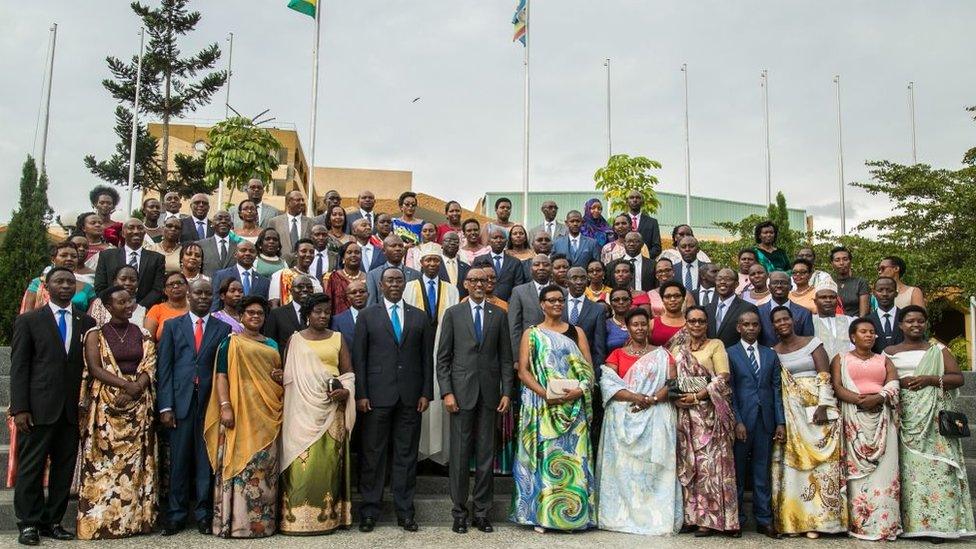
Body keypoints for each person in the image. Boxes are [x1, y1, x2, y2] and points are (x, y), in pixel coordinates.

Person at [10, 268, 96, 546]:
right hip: (37, 408)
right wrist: (20, 408)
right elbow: (19, 367)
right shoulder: (29, 321)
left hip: (71, 410)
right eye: (59, 282)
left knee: (64, 468)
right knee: (31, 467)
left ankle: (53, 521)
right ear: (47, 286)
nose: (66, 286)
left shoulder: (86, 321)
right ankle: (29, 523)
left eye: (70, 282)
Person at [510, 285, 596, 532]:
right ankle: (544, 516)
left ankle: (573, 517)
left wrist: (580, 389)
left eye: (561, 300)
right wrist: (544, 394)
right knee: (545, 458)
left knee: (574, 459)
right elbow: (523, 370)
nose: (558, 304)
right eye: (552, 300)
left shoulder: (576, 332)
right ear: (542, 304)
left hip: (573, 407)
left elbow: (589, 369)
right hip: (543, 406)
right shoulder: (532, 333)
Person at [354, 268, 434, 533]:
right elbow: (360, 358)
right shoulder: (367, 315)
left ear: (405, 284)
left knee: (406, 455)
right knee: (373, 455)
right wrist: (362, 394)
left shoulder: (420, 317)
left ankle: (405, 511)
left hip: (411, 397)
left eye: (399, 280)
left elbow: (426, 359)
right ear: (381, 284)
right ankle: (369, 511)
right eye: (390, 280)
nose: (395, 284)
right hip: (376, 397)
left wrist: (426, 393)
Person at [885, 306, 975, 540]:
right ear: (901, 325)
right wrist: (898, 383)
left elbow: (958, 378)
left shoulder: (938, 350)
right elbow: (884, 379)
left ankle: (942, 526)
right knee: (909, 473)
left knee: (940, 469)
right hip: (904, 418)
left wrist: (930, 379)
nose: (916, 325)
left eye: (920, 321)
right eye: (910, 321)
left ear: (926, 324)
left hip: (933, 420)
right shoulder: (890, 351)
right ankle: (913, 526)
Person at [76, 286, 157, 539]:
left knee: (134, 469)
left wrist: (136, 388)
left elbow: (149, 364)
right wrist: (125, 385)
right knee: (102, 465)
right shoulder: (95, 334)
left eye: (130, 301)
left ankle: (134, 522)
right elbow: (95, 367)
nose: (127, 305)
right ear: (108, 307)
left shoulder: (142, 333)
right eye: (121, 302)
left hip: (137, 408)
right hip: (106, 409)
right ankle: (100, 523)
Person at [437, 269, 513, 534]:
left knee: (485, 455)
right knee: (459, 455)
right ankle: (459, 512)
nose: (479, 284)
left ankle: (482, 512)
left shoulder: (499, 315)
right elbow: (443, 358)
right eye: (474, 280)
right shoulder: (453, 314)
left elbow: (505, 358)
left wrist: (506, 393)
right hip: (460, 394)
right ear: (466, 284)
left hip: (491, 395)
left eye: (484, 280)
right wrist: (447, 392)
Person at [157, 279, 233, 536]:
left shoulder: (223, 329)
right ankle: (176, 515)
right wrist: (165, 406)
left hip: (209, 404)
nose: (203, 297)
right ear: (188, 295)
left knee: (205, 462)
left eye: (207, 294)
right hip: (180, 403)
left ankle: (203, 514)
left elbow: (224, 368)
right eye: (198, 292)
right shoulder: (172, 326)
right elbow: (164, 369)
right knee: (178, 461)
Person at [204, 296, 284, 538]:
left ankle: (263, 525)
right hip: (238, 410)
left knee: (263, 466)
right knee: (238, 464)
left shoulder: (272, 344)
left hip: (266, 412)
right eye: (250, 313)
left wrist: (280, 376)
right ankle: (235, 524)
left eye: (260, 313)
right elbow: (221, 376)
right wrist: (225, 406)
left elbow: (275, 375)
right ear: (241, 316)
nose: (255, 316)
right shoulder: (230, 343)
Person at [598, 308, 682, 535]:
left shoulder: (663, 355)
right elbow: (609, 385)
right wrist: (638, 397)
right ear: (627, 326)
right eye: (635, 324)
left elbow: (672, 384)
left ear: (648, 326)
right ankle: (622, 516)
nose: (640, 328)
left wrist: (652, 399)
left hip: (654, 418)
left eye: (643, 324)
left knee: (652, 470)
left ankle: (654, 516)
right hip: (624, 421)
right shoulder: (616, 354)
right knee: (624, 470)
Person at [279, 293, 356, 535]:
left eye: (326, 312)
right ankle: (294, 520)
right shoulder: (295, 340)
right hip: (300, 411)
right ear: (307, 315)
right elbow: (287, 376)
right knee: (300, 464)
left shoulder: (338, 338)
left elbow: (348, 374)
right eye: (317, 312)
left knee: (327, 464)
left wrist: (345, 392)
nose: (323, 316)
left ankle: (329, 519)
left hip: (331, 410)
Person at [770, 306, 847, 537]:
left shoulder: (812, 343)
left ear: (793, 321)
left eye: (786, 318)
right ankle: (796, 522)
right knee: (794, 468)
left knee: (821, 467)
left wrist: (824, 405)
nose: (782, 323)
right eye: (777, 321)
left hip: (816, 410)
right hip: (790, 413)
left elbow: (824, 375)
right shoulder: (773, 351)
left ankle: (822, 522)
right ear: (772, 326)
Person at [669, 306, 739, 537]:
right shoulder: (677, 348)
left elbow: (723, 378)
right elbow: (670, 378)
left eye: (701, 321)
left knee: (711, 468)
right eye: (692, 321)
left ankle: (712, 520)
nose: (696, 325)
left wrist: (698, 396)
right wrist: (677, 398)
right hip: (685, 414)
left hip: (709, 414)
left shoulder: (715, 345)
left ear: (706, 324)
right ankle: (691, 517)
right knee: (690, 465)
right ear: (686, 323)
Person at [831, 318, 901, 541]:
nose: (869, 335)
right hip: (853, 419)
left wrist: (878, 397)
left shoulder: (884, 360)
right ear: (853, 336)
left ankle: (885, 526)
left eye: (872, 332)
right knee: (857, 477)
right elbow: (837, 386)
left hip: (882, 419)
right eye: (864, 332)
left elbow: (893, 384)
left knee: (885, 473)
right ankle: (859, 526)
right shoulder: (841, 359)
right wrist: (860, 400)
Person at [728, 310, 784, 539]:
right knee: (738, 473)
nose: (751, 328)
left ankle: (764, 520)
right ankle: (737, 520)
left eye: (755, 325)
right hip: (742, 421)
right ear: (738, 328)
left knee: (762, 472)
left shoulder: (770, 354)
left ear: (760, 328)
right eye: (746, 324)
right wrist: (737, 421)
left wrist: (780, 422)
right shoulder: (730, 353)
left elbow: (776, 390)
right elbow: (729, 391)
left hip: (765, 421)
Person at [403, 245, 459, 464]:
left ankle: (440, 458)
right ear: (421, 263)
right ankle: (417, 456)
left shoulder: (451, 289)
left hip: (443, 353)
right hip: (415, 354)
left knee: (439, 405)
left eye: (436, 260)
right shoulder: (409, 287)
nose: (432, 264)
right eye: (428, 260)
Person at [93, 218, 165, 308]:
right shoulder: (107, 256)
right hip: (112, 310)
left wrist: (138, 307)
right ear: (123, 233)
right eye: (131, 228)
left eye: (140, 228)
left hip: (144, 311)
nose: (136, 231)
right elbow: (100, 286)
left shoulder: (157, 259)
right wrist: (116, 305)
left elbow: (157, 289)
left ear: (144, 233)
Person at [20, 242, 95, 313]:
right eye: (64, 255)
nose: (69, 259)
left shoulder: (88, 288)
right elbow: (27, 314)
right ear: (53, 259)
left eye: (74, 256)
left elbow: (93, 316)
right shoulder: (38, 283)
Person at [507, 254, 553, 360]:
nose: (541, 267)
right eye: (537, 265)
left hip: (555, 351)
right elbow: (514, 327)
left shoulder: (562, 292)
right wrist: (518, 358)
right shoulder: (519, 292)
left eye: (546, 265)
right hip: (529, 351)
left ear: (551, 268)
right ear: (530, 269)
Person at [209, 240, 271, 310]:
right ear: (235, 254)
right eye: (243, 250)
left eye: (252, 251)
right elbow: (214, 305)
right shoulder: (220, 276)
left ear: (256, 255)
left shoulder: (264, 281)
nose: (247, 253)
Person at [706, 268, 760, 347]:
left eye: (727, 279)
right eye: (719, 279)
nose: (722, 282)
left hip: (735, 357)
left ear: (736, 284)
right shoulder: (707, 308)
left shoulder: (748, 308)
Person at [758, 271, 814, 347]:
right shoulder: (758, 311)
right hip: (766, 357)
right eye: (775, 282)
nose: (779, 286)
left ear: (790, 287)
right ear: (769, 287)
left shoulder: (804, 313)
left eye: (783, 283)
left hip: (796, 356)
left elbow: (808, 342)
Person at [263, 275, 315, 353]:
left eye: (309, 287)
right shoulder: (277, 314)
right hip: (286, 362)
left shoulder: (318, 314)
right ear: (291, 291)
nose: (305, 289)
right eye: (300, 287)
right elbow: (270, 344)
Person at [365, 235, 422, 305]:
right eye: (393, 246)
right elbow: (371, 305)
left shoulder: (416, 275)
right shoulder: (373, 275)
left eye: (401, 246)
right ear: (384, 250)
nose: (398, 249)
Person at [269, 239, 323, 307]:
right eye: (304, 251)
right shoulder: (282, 275)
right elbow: (274, 304)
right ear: (296, 254)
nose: (308, 254)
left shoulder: (315, 281)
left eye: (311, 252)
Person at [476, 228, 526, 302]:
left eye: (501, 238)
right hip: (483, 302)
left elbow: (518, 285)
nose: (498, 240)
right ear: (489, 241)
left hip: (508, 304)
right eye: (495, 238)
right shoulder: (479, 260)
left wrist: (510, 302)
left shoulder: (515, 262)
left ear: (506, 241)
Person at [267, 190, 312, 264]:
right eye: (298, 200)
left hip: (303, 265)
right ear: (288, 202)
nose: (302, 203)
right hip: (280, 264)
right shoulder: (274, 222)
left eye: (302, 200)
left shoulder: (311, 223)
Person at [812, 280, 853, 360]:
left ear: (837, 301)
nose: (828, 300)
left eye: (832, 297)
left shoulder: (850, 321)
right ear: (815, 301)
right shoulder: (809, 322)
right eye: (823, 297)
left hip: (847, 368)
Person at [323, 241, 366, 316]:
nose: (353, 255)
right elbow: (329, 303)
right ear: (343, 257)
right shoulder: (334, 277)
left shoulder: (369, 278)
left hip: (365, 321)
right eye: (349, 252)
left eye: (357, 252)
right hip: (339, 323)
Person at [144, 272, 190, 341]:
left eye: (179, 283)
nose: (175, 286)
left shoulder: (195, 309)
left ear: (187, 287)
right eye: (171, 284)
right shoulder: (157, 309)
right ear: (165, 291)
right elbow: (148, 342)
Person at [829, 246, 870, 317]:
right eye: (837, 260)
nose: (841, 263)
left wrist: (858, 326)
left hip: (854, 324)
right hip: (833, 324)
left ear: (850, 261)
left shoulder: (860, 283)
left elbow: (864, 313)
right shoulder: (828, 283)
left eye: (845, 259)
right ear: (832, 264)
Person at [866, 277, 903, 352]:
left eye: (889, 290)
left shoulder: (905, 318)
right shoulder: (867, 321)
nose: (885, 294)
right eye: (880, 290)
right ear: (874, 293)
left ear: (896, 293)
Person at [622, 190, 662, 258]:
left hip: (646, 262)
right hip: (624, 262)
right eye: (631, 197)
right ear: (627, 201)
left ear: (642, 202)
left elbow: (657, 247)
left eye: (638, 198)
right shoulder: (620, 221)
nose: (634, 200)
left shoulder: (652, 222)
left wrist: (643, 257)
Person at [197, 211, 237, 278]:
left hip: (232, 286)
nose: (223, 221)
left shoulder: (239, 246)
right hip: (208, 286)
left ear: (232, 225)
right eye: (219, 219)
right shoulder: (201, 245)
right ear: (212, 223)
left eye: (227, 219)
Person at [330, 280, 368, 345]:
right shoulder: (337, 321)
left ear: (368, 294)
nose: (358, 295)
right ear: (347, 297)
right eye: (353, 293)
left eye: (362, 292)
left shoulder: (378, 316)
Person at [649, 281, 687, 346]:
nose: (672, 299)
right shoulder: (652, 324)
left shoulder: (692, 323)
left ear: (683, 299)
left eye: (677, 296)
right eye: (667, 296)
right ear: (662, 300)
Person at [439, 231, 470, 298]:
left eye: (456, 241)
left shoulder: (466, 267)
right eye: (449, 240)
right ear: (442, 244)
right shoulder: (434, 265)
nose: (452, 243)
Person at [605, 288, 632, 353]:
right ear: (611, 304)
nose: (621, 302)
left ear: (631, 302)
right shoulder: (605, 325)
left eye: (625, 299)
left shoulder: (641, 323)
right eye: (616, 300)